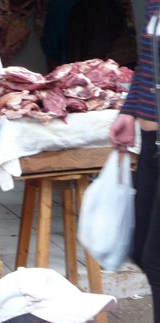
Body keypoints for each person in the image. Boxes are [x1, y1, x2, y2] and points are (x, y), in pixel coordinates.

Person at [109, 1, 160, 321]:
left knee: (157, 258)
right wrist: (129, 110)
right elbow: (148, 63)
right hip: (152, 144)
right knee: (139, 246)